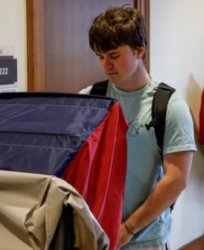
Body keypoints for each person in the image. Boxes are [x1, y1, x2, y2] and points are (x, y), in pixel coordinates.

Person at [80, 6, 197, 250]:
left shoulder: (169, 106)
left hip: (145, 239)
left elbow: (176, 180)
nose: (106, 65)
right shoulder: (90, 99)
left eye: (114, 55)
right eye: (100, 57)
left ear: (139, 51)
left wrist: (128, 229)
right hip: (94, 235)